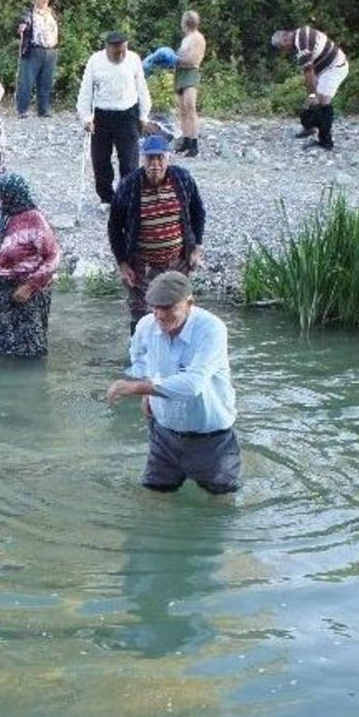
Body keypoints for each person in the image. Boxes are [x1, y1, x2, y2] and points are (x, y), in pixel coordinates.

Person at [105, 271, 241, 495]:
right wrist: (147, 389)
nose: (159, 315)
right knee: (153, 495)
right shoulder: (146, 326)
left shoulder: (212, 329)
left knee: (221, 504)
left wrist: (138, 388)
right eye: (155, 307)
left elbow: (192, 385)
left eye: (168, 307)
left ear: (190, 303)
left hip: (211, 438)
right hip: (163, 433)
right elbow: (140, 359)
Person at [108, 134, 205, 331]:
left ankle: (178, 356)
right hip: (142, 264)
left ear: (168, 158)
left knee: (178, 309)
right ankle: (138, 357)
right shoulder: (129, 184)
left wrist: (196, 247)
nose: (155, 164)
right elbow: (114, 226)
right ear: (143, 159)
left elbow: (197, 211)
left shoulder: (182, 178)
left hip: (177, 261)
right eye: (150, 158)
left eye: (160, 158)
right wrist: (122, 263)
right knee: (141, 316)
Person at [0, 173, 60, 357]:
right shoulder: (7, 217)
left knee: (29, 347)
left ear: (13, 195)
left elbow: (53, 257)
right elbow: (6, 248)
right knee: (3, 341)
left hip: (27, 290)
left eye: (2, 195)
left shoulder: (35, 220)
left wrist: (30, 287)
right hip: (3, 287)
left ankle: (28, 380)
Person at [76, 31, 152, 213]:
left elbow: (142, 89)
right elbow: (85, 91)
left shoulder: (133, 59)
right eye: (117, 52)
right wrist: (86, 118)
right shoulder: (95, 61)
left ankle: (128, 197)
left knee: (129, 160)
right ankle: (106, 197)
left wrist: (143, 116)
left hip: (128, 114)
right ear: (107, 48)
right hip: (102, 115)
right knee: (100, 159)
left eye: (123, 51)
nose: (121, 55)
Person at [271, 26, 349, 151]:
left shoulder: (302, 46)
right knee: (311, 99)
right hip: (323, 68)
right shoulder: (300, 34)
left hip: (335, 68)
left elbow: (308, 71)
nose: (284, 51)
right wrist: (311, 93)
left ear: (286, 40)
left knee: (323, 101)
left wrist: (312, 94)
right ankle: (310, 127)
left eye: (282, 47)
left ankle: (325, 141)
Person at [15, 0, 59, 118]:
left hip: (51, 51)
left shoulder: (53, 13)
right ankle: (22, 110)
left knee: (46, 82)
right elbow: (22, 23)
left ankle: (43, 110)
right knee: (26, 81)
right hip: (33, 50)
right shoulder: (29, 13)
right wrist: (21, 27)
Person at [174, 11, 206, 157]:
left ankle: (194, 143)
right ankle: (186, 139)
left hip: (191, 72)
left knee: (190, 107)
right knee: (182, 109)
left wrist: (176, 60)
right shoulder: (186, 39)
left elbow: (194, 59)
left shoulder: (197, 38)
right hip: (181, 72)